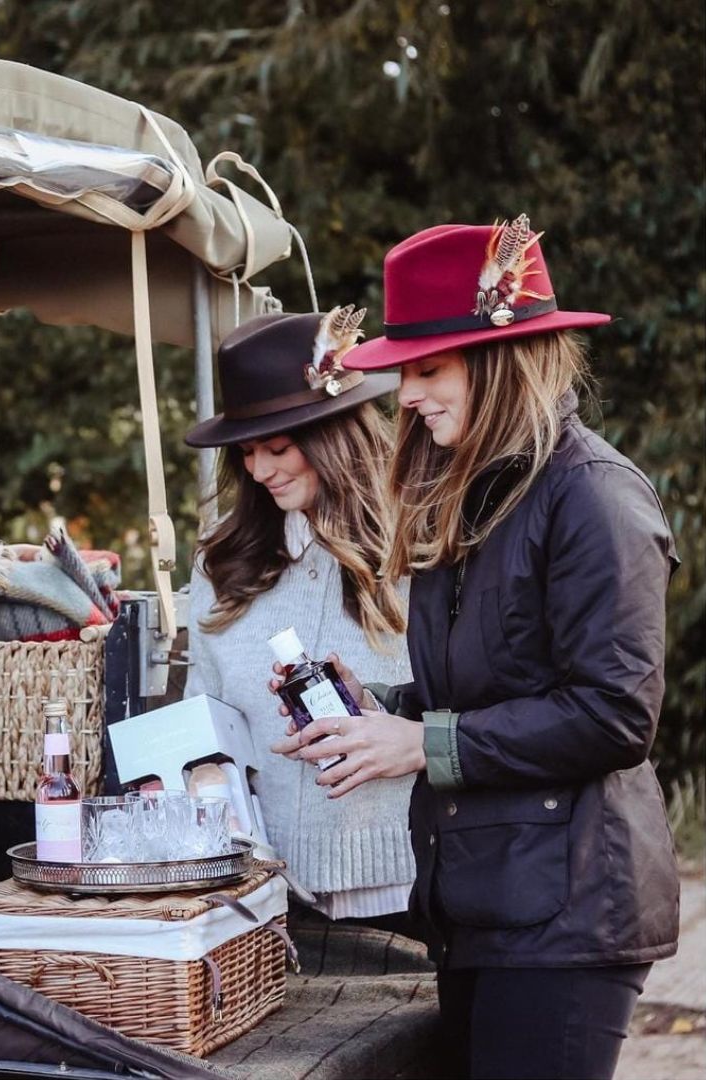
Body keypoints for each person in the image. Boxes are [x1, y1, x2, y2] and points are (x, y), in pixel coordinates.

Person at [271, 216, 680, 1079]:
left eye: (427, 369)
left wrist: (425, 745)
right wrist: (379, 711)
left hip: (567, 914)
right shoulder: (473, 494)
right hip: (483, 906)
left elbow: (615, 715)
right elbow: (496, 691)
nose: (406, 395)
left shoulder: (594, 500)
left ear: (499, 361)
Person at [184, 309, 417, 925]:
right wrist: (203, 778)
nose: (259, 471)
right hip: (259, 900)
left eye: (278, 448)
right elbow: (200, 722)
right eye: (246, 452)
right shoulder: (221, 565)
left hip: (412, 892)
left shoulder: (425, 547)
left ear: (335, 435)